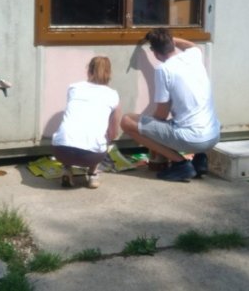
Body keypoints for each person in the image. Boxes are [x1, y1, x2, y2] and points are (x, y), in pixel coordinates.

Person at [120, 28, 220, 182]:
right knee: (184, 118)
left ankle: (181, 165)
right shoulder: (193, 56)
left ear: (154, 52)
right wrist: (171, 40)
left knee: (127, 121)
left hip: (191, 138)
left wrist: (150, 129)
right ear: (171, 43)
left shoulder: (163, 70)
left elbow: (161, 114)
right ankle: (200, 161)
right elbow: (192, 45)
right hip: (213, 136)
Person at [51, 56, 122, 189]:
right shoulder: (113, 95)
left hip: (61, 151)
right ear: (109, 74)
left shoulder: (74, 88)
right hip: (91, 156)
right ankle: (93, 174)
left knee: (70, 128)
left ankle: (67, 169)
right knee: (105, 136)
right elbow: (113, 134)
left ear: (88, 71)